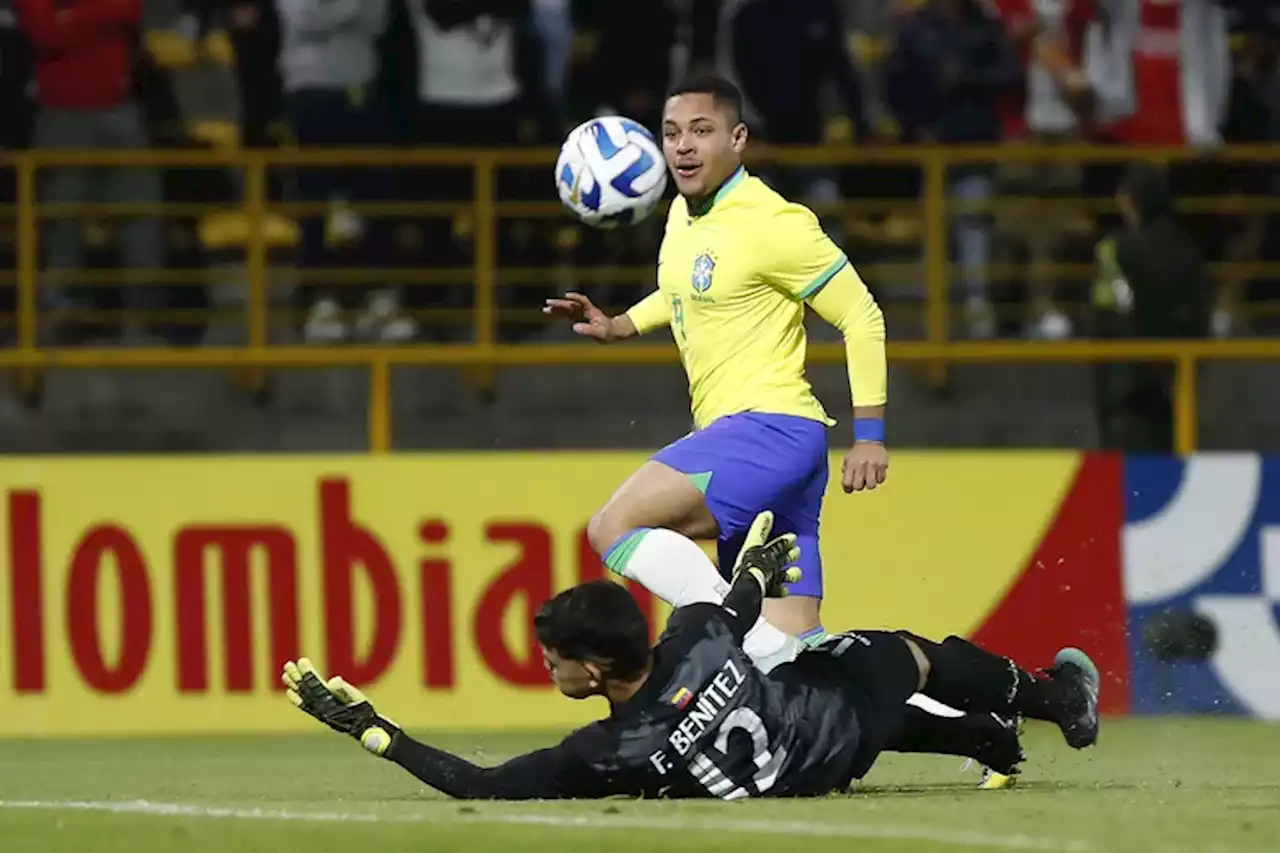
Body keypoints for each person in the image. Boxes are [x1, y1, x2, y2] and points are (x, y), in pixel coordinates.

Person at [284, 513, 1100, 800]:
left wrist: (371, 728)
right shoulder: (695, 639)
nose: (549, 669)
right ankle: (1052, 697)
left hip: (809, 775)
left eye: (553, 658)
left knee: (812, 672)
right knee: (911, 655)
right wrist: (756, 570)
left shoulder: (607, 754)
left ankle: (990, 734)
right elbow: (735, 605)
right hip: (830, 723)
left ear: (593, 669)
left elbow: (479, 782)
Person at [542, 75, 888, 659]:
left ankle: (731, 630)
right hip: (778, 450)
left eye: (701, 132)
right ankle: (989, 713)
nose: (683, 147)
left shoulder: (773, 223)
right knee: (798, 659)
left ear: (738, 138)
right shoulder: (683, 214)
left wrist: (871, 436)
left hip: (765, 431)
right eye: (672, 133)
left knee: (612, 527)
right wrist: (621, 324)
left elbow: (862, 315)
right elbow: (682, 291)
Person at [1091, 163, 1212, 452]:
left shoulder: (1117, 250)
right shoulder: (1188, 249)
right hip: (1176, 378)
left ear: (1131, 200)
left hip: (1130, 384)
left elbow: (1112, 309)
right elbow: (1199, 316)